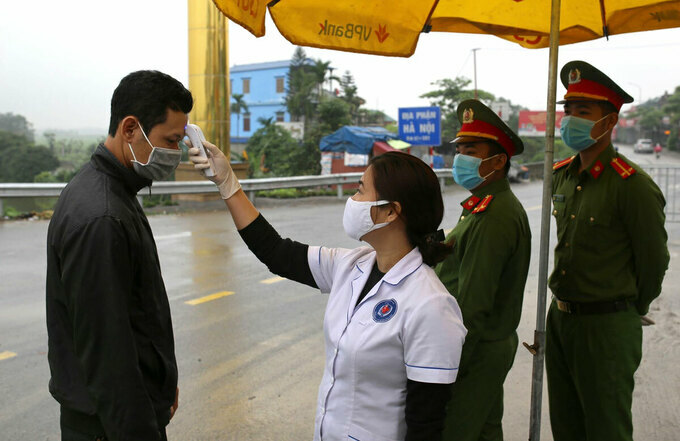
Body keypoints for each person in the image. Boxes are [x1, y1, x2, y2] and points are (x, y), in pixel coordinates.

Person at [188, 144, 467, 441]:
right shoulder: (351, 264)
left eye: (361, 191)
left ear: (390, 211)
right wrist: (228, 183)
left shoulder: (431, 306)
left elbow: (426, 424)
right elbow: (276, 252)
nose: (352, 199)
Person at [46, 70, 193, 441]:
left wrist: (161, 384)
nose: (175, 154)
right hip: (110, 425)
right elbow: (107, 355)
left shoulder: (115, 190)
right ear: (130, 129)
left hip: (122, 412)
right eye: (171, 140)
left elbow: (137, 314)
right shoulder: (103, 216)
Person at [547, 60, 669, 441]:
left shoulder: (631, 185)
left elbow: (653, 262)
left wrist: (629, 311)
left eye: (583, 112)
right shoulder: (562, 174)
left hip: (606, 325)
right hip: (560, 320)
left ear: (609, 121)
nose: (571, 120)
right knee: (566, 425)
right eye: (568, 111)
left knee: (605, 429)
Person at [435, 99, 531, 441]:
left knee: (455, 432)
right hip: (485, 346)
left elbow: (473, 305)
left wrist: (447, 368)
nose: (460, 158)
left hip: (477, 350)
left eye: (470, 150)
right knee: (485, 431)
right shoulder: (481, 205)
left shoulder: (493, 215)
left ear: (498, 160)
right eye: (459, 149)